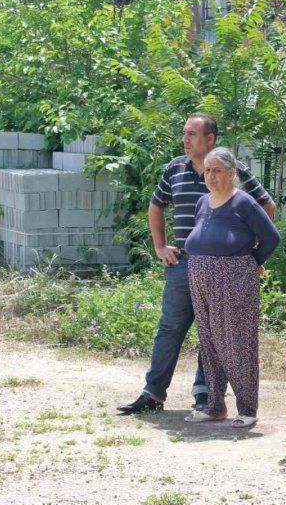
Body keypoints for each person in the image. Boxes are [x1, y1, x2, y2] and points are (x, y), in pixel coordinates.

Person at [117, 113, 275, 416]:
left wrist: (248, 255)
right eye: (185, 134)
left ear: (210, 139)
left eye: (192, 134)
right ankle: (153, 393)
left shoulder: (230, 169)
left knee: (213, 331)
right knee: (170, 326)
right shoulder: (175, 168)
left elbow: (265, 204)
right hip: (183, 264)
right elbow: (156, 204)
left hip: (223, 269)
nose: (185, 140)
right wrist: (160, 246)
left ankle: (205, 394)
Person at [183, 147, 280, 427]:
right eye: (208, 171)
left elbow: (271, 238)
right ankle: (215, 405)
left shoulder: (244, 203)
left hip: (234, 277)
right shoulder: (203, 202)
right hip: (200, 276)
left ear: (231, 173)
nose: (211, 176)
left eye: (217, 171)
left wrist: (251, 262)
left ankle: (247, 409)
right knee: (209, 342)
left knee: (236, 342)